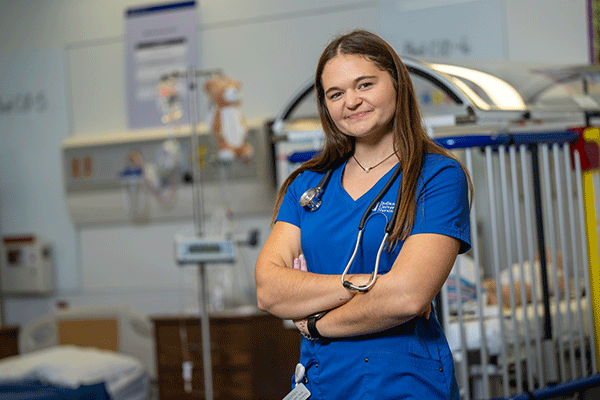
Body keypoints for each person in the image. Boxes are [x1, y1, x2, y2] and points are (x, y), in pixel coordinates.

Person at [255, 29, 472, 400]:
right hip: (321, 383)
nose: (351, 102)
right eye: (335, 94)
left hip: (405, 384)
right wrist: (362, 281)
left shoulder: (436, 176)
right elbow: (269, 290)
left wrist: (315, 323)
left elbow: (407, 297)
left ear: (397, 84)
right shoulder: (306, 187)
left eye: (364, 84)